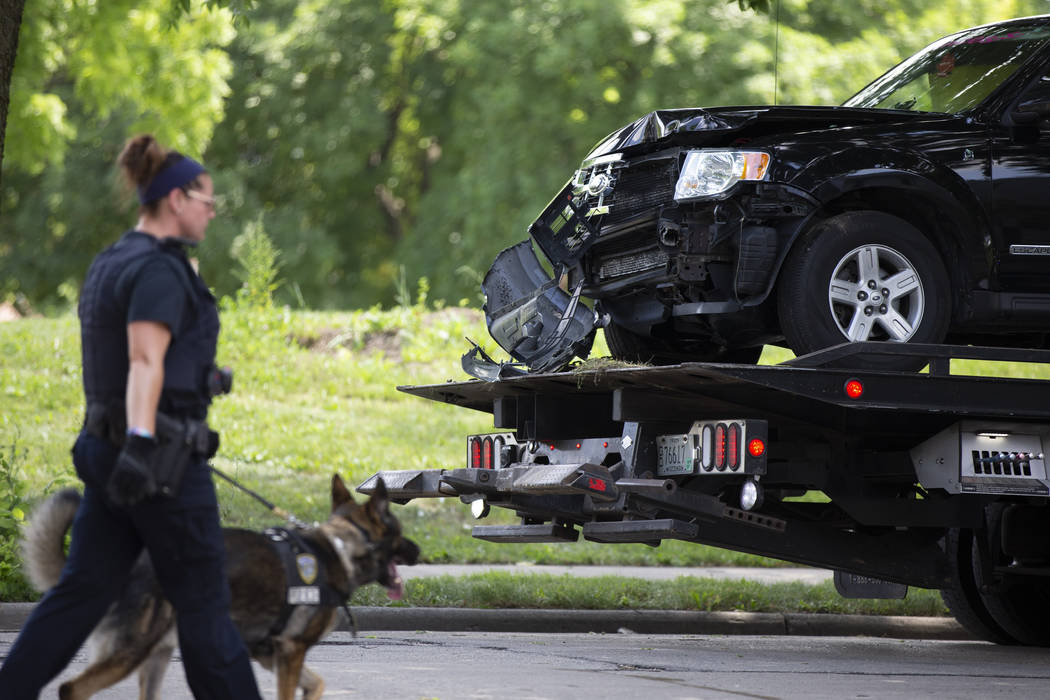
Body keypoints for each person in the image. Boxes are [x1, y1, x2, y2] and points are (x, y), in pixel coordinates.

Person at [0, 135, 262, 699]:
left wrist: (200, 380)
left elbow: (133, 361)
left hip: (107, 454)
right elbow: (144, 360)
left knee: (81, 595)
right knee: (205, 608)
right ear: (175, 199)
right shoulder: (161, 271)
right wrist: (144, 444)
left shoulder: (111, 261)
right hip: (157, 465)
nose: (212, 213)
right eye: (207, 201)